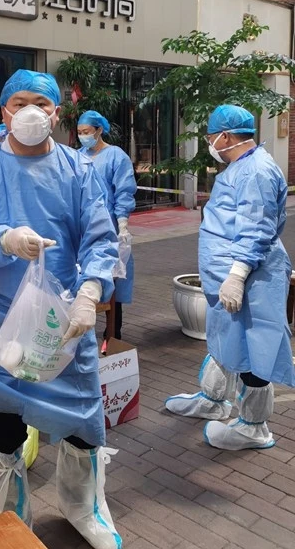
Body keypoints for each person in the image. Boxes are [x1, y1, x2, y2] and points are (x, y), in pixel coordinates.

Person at [0, 69, 122, 549]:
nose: (30, 112)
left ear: (57, 114)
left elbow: (101, 237)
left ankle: (83, 507)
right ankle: (9, 519)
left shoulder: (78, 170)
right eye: (19, 102)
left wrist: (90, 290)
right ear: (2, 111)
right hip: (0, 322)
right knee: (5, 427)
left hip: (64, 319)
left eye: (41, 104)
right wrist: (1, 239)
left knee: (82, 422)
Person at [166, 104, 295, 450]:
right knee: (226, 339)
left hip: (251, 280)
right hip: (228, 277)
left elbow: (257, 228)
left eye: (210, 136)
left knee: (254, 349)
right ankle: (213, 399)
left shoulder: (255, 172)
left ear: (224, 135)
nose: (210, 142)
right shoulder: (241, 167)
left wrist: (237, 275)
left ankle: (254, 426)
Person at [77, 110, 137, 343]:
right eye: (80, 133)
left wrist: (122, 224)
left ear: (99, 130)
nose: (83, 136)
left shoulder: (115, 156)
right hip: (83, 226)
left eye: (87, 132)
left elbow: (123, 190)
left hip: (110, 226)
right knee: (84, 276)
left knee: (114, 276)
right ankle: (83, 326)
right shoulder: (77, 156)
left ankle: (113, 332)